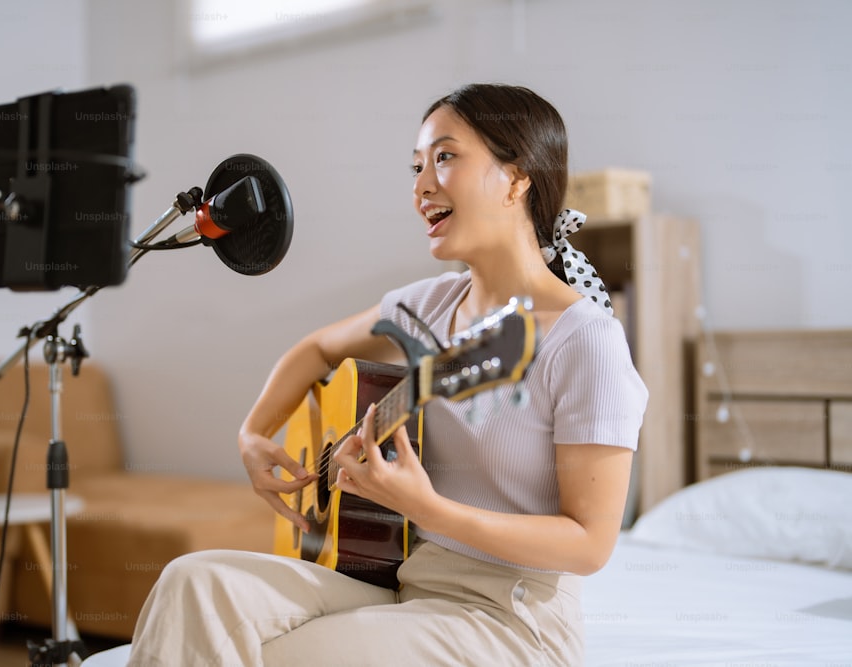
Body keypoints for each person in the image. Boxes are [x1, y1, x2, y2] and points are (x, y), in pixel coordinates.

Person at [127, 83, 648, 666]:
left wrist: (430, 511)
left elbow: (589, 543)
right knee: (193, 583)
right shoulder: (429, 305)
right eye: (417, 165)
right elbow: (316, 350)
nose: (422, 186)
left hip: (512, 621)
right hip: (408, 586)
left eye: (446, 157)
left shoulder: (584, 340)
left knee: (286, 657)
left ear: (518, 178)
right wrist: (252, 434)